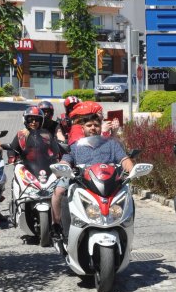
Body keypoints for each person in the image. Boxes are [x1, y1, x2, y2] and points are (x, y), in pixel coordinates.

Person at [51, 102, 134, 240]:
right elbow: (67, 159)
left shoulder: (111, 144)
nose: (93, 128)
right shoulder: (76, 146)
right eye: (89, 125)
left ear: (100, 126)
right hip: (82, 182)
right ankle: (58, 226)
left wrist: (132, 170)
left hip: (108, 183)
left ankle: (127, 227)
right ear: (83, 128)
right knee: (60, 191)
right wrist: (62, 167)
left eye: (96, 125)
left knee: (128, 196)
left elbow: (124, 159)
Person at [6, 106, 60, 175]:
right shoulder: (21, 134)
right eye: (30, 120)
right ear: (25, 120)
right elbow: (12, 148)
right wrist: (12, 157)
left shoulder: (46, 135)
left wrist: (56, 157)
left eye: (37, 120)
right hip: (25, 168)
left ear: (41, 121)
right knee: (16, 182)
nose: (33, 122)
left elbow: (54, 149)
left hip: (44, 167)